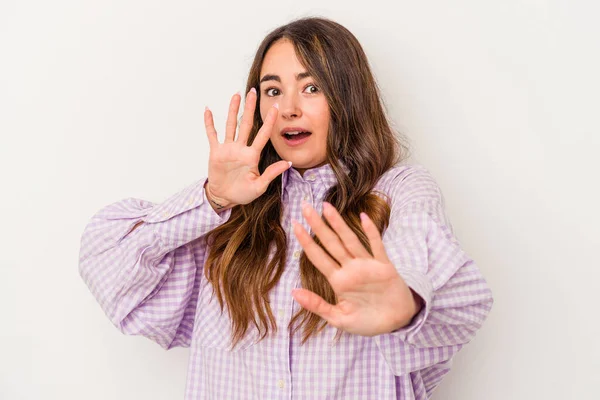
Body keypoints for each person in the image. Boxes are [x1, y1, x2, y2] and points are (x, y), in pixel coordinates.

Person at [78, 16, 494, 399]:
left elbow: (431, 271)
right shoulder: (226, 213)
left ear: (348, 97)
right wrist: (212, 199)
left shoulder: (398, 191)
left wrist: (404, 305)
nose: (289, 108)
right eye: (273, 90)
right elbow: (110, 269)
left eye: (311, 87)